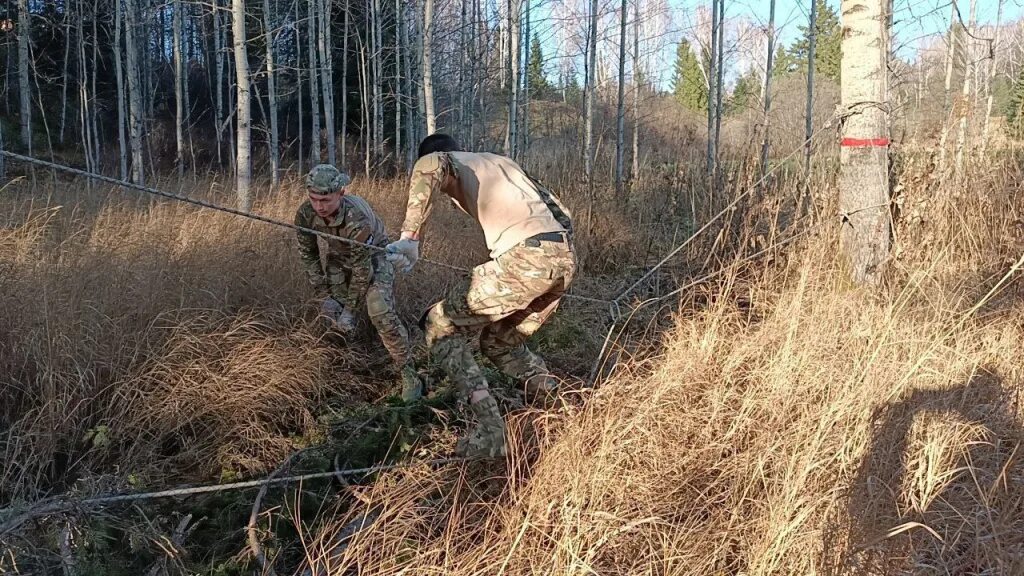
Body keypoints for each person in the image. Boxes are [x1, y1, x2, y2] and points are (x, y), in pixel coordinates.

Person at [385, 134, 577, 459]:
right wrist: (553, 255)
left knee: (437, 324)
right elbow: (563, 214)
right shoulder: (502, 163)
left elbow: (430, 165)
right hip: (562, 259)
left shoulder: (445, 160)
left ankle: (491, 435)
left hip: (526, 259)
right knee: (498, 343)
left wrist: (409, 238)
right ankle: (563, 414)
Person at [295, 164, 423, 401]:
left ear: (341, 193)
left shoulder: (357, 219)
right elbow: (309, 256)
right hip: (339, 256)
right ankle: (348, 359)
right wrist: (324, 295)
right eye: (314, 199)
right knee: (332, 311)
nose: (319, 206)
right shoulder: (305, 214)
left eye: (326, 199)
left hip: (374, 256)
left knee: (379, 311)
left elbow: (362, 270)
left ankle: (408, 371)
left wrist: (350, 311)